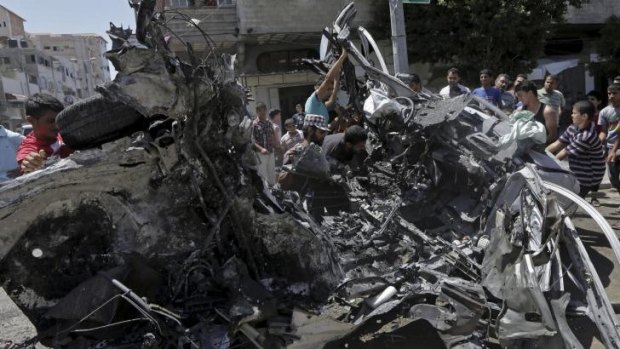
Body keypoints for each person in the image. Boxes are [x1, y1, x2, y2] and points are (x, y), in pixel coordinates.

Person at [546, 101, 605, 202]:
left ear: (584, 116)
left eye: (574, 113)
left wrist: (545, 164)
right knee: (566, 202)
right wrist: (542, 154)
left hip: (588, 176)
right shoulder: (573, 128)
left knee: (570, 203)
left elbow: (562, 154)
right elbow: (557, 144)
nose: (571, 115)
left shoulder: (586, 136)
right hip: (578, 171)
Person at [16, 93, 72, 174]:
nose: (57, 125)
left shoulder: (65, 134)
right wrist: (33, 165)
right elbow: (27, 164)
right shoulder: (29, 149)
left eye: (59, 119)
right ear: (31, 120)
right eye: (51, 121)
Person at [305, 48, 348, 119]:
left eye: (331, 89)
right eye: (328, 89)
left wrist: (336, 80)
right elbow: (328, 79)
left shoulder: (319, 105)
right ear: (316, 88)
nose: (330, 92)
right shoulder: (314, 101)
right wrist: (343, 56)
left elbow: (332, 100)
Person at [600, 84, 620, 217]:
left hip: (617, 149)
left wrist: (614, 151)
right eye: (609, 93)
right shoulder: (604, 112)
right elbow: (603, 132)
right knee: (613, 179)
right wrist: (596, 144)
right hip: (609, 148)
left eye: (614, 93)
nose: (611, 96)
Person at [252, 102, 278, 186]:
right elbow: (252, 141)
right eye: (260, 111)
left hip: (271, 152)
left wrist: (276, 144)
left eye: (264, 111)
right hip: (260, 154)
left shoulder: (269, 123)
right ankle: (266, 196)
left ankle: (274, 194)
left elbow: (273, 135)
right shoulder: (254, 124)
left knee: (272, 176)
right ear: (257, 111)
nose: (262, 113)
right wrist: (261, 149)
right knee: (263, 177)